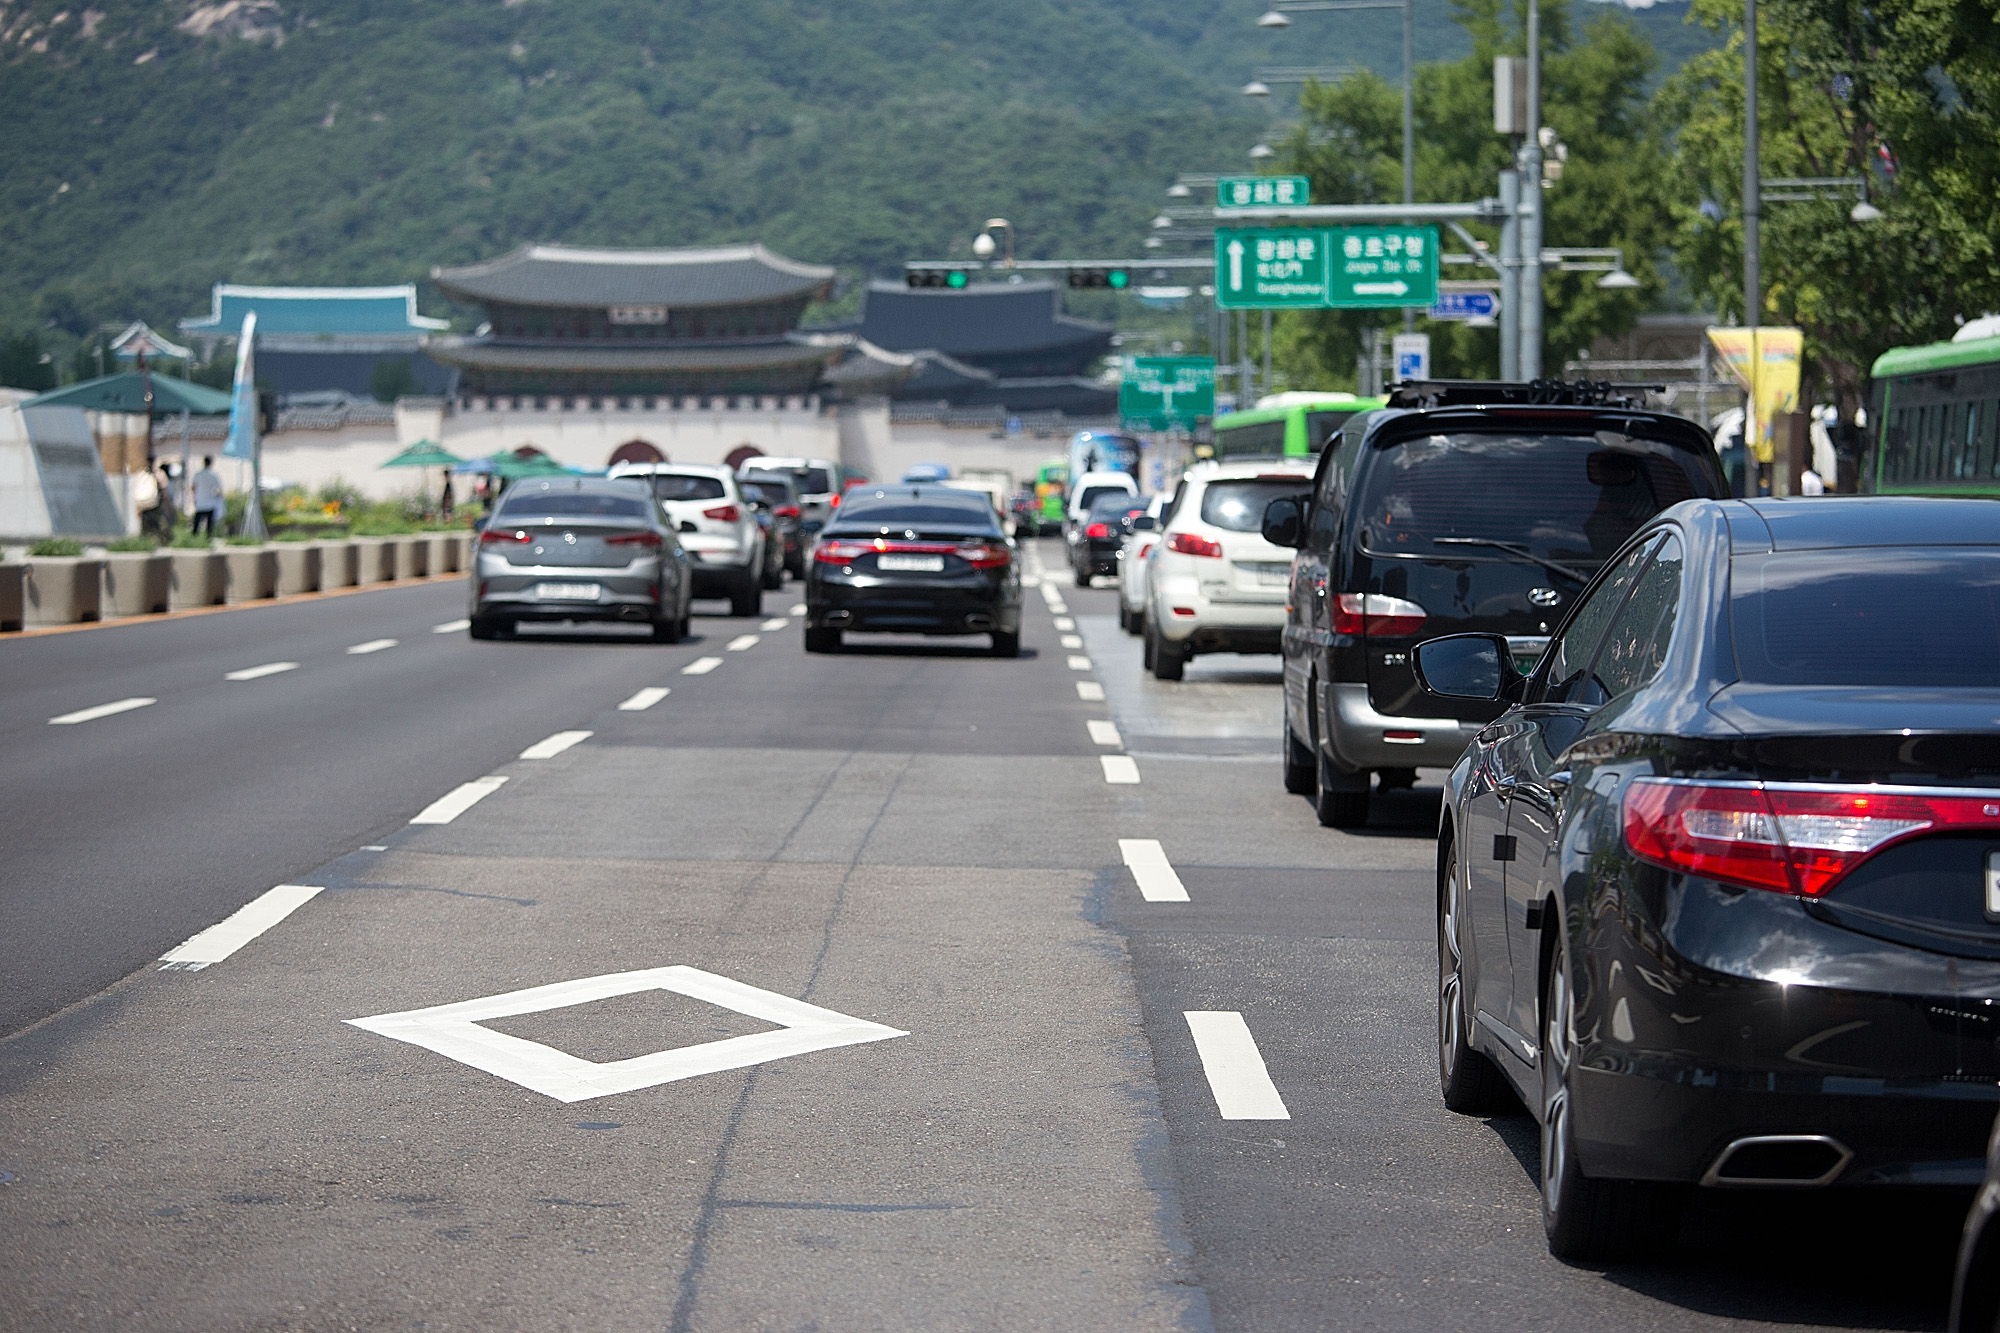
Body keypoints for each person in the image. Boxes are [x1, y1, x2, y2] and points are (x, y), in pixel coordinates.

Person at [189, 455, 224, 538]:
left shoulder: (198, 475)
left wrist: (194, 497)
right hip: (210, 502)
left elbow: (193, 487)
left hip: (200, 501)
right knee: (209, 525)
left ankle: (194, 538)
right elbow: (219, 490)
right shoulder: (213, 475)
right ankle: (208, 538)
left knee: (197, 523)